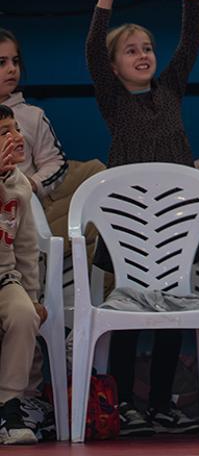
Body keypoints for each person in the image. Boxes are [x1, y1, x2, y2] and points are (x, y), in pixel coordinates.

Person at [84, 0, 199, 436]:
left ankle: (159, 403)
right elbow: (93, 49)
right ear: (113, 67)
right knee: (129, 312)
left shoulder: (171, 90)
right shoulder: (114, 99)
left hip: (176, 221)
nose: (143, 56)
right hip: (127, 224)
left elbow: (190, 42)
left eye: (147, 48)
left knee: (173, 311)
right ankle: (125, 403)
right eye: (131, 51)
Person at [0, 108, 46, 445]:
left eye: (16, 129)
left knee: (23, 314)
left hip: (4, 279)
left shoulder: (19, 185)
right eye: (4, 132)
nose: (16, 137)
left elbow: (27, 247)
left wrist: (32, 296)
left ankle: (8, 407)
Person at [0, 30, 67, 200]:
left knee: (93, 169)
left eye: (15, 61)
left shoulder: (33, 116)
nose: (12, 69)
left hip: (26, 210)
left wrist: (32, 184)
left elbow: (55, 163)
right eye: (2, 63)